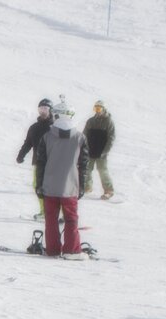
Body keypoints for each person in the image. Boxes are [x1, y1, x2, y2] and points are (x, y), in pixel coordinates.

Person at [37, 101, 90, 260]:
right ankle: (71, 250)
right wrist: (82, 186)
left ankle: (52, 250)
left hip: (50, 186)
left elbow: (41, 163)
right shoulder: (80, 137)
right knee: (71, 219)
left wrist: (39, 185)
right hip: (70, 186)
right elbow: (84, 165)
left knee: (51, 220)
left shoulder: (47, 137)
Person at [15, 98, 53, 217]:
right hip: (38, 162)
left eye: (45, 109)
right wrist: (21, 155)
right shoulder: (34, 127)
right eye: (41, 109)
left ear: (51, 110)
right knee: (38, 186)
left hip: (53, 162)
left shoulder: (55, 127)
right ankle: (44, 211)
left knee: (54, 187)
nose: (43, 112)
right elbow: (28, 143)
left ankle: (59, 213)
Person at [84, 100, 116, 199]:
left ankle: (109, 190)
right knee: (87, 169)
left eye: (99, 108)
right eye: (96, 108)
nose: (97, 111)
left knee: (102, 170)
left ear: (104, 109)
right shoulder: (91, 121)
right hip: (90, 150)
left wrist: (105, 151)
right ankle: (87, 187)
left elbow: (111, 138)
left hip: (101, 152)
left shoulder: (108, 121)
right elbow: (84, 135)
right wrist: (84, 148)